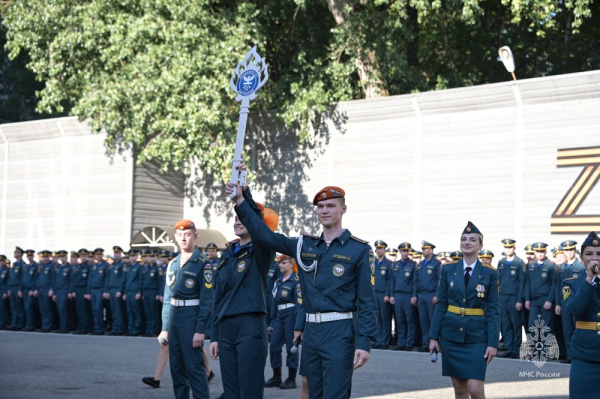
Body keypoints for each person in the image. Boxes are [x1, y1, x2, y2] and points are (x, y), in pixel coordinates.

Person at [227, 180, 377, 399]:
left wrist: (364, 342)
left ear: (343, 209)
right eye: (321, 207)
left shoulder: (359, 249)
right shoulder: (303, 245)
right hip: (311, 332)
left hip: (340, 330)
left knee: (335, 394)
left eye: (331, 206)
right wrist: (242, 198)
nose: (325, 211)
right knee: (313, 393)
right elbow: (263, 234)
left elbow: (367, 300)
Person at [209, 188, 277, 399]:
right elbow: (217, 298)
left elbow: (255, 219)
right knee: (231, 391)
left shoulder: (261, 250)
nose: (238, 221)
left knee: (249, 389)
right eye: (236, 218)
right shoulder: (227, 255)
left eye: (243, 218)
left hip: (250, 325)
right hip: (226, 327)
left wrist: (243, 193)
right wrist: (215, 335)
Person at [429, 221, 499, 399]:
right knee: (460, 391)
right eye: (464, 239)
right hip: (451, 336)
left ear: (480, 245)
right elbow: (442, 304)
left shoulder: (490, 273)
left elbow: (492, 309)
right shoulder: (448, 269)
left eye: (472, 240)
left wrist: (493, 343)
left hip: (477, 337)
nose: (467, 242)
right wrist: (433, 337)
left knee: (475, 390)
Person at [159, 219, 213, 399]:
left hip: (191, 319)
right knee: (176, 368)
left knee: (195, 368)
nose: (183, 238)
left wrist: (200, 330)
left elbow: (207, 301)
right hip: (174, 319)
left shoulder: (203, 263)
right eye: (180, 235)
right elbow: (167, 298)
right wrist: (165, 328)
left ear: (195, 236)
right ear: (176, 237)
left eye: (187, 234)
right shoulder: (173, 263)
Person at [563, 231, 600, 399]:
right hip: (584, 353)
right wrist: (590, 279)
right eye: (589, 254)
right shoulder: (571, 284)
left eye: (599, 253)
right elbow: (575, 309)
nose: (595, 258)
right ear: (581, 258)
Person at [265, 254, 302, 390]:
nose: (281, 265)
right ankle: (276, 377)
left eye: (284, 263)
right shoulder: (278, 281)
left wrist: (298, 325)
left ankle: (291, 379)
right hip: (279, 316)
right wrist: (272, 322)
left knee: (290, 348)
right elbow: (274, 303)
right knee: (274, 346)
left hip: (291, 314)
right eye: (280, 263)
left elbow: (299, 304)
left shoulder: (296, 281)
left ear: (291, 264)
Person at [554, 239, 585, 364]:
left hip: (576, 303)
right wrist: (557, 303)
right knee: (567, 329)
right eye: (566, 250)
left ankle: (579, 355)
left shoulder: (581, 267)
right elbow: (557, 287)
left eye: (571, 249)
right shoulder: (561, 268)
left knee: (578, 329)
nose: (569, 252)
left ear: (575, 250)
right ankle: (570, 355)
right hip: (564, 303)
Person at [496, 238, 526, 359]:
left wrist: (519, 300)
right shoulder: (501, 262)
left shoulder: (519, 263)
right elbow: (498, 281)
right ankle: (508, 348)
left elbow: (522, 283)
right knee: (505, 324)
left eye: (510, 247)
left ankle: (516, 349)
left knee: (516, 324)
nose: (508, 249)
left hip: (514, 297)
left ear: (514, 248)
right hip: (502, 297)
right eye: (506, 248)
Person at [389, 242, 417, 351]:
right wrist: (391, 295)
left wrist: (414, 295)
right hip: (397, 295)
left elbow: (415, 281)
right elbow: (392, 281)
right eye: (403, 251)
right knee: (399, 320)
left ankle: (409, 343)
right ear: (400, 252)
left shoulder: (413, 264)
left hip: (408, 295)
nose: (405, 253)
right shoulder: (395, 265)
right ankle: (401, 342)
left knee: (409, 320)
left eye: (407, 251)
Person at [413, 241, 441, 352]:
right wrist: (414, 295)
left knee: (432, 321)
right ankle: (425, 344)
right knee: (423, 321)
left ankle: (435, 344)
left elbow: (439, 280)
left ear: (430, 250)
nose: (423, 251)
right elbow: (416, 281)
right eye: (422, 249)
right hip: (421, 295)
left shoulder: (436, 263)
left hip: (431, 295)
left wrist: (436, 295)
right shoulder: (420, 264)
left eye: (425, 249)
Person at [524, 242, 556, 332]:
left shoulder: (551, 265)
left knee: (546, 327)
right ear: (535, 252)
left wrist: (549, 300)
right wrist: (527, 299)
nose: (540, 254)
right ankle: (536, 346)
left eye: (542, 251)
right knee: (532, 325)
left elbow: (554, 284)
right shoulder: (531, 266)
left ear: (545, 252)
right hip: (534, 301)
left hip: (545, 300)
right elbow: (527, 283)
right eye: (538, 252)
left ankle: (547, 346)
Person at [372, 240, 392, 349]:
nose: (378, 251)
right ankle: (378, 340)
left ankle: (385, 341)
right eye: (377, 249)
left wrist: (387, 294)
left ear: (385, 250)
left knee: (385, 319)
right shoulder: (373, 263)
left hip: (383, 294)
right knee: (377, 319)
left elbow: (390, 280)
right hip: (375, 294)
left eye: (380, 249)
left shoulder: (388, 263)